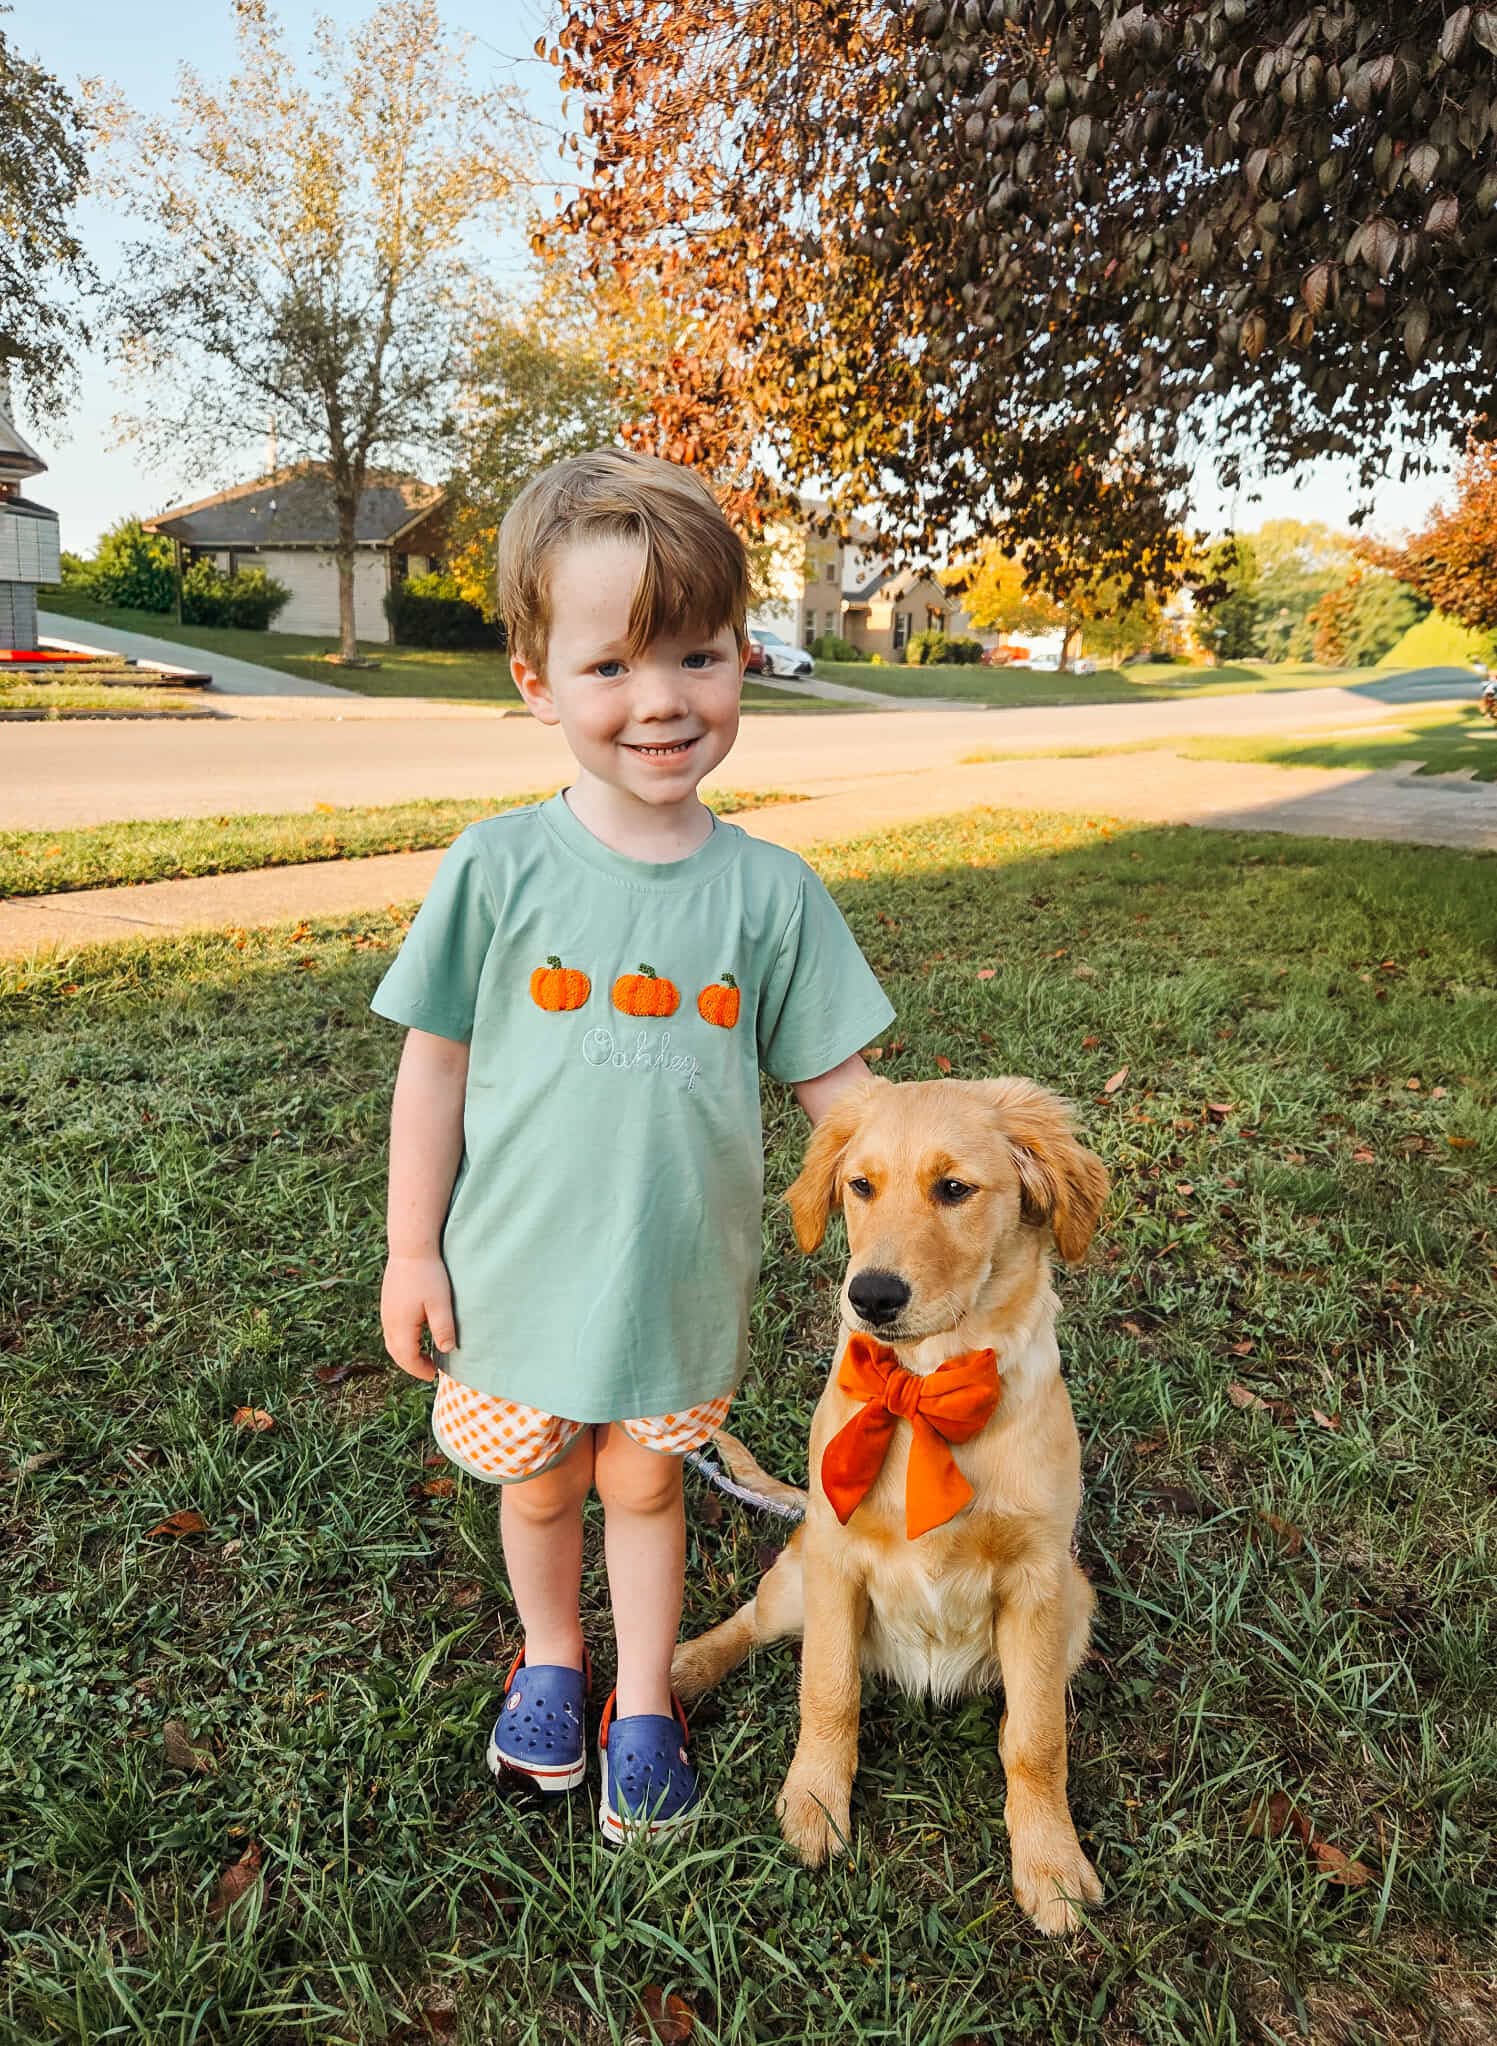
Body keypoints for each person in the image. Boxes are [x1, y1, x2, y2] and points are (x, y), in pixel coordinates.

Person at [370, 450, 894, 1841]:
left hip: (673, 1278)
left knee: (645, 1480)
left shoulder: (772, 895)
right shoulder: (496, 867)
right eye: (609, 665)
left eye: (698, 655)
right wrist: (410, 1246)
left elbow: (845, 1096)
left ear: (738, 661)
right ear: (535, 678)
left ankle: (643, 1695)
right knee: (541, 1482)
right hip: (514, 1275)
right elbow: (435, 1063)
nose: (659, 698)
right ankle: (551, 1656)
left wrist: (932, 1188)